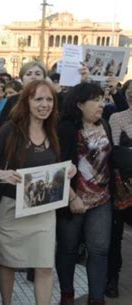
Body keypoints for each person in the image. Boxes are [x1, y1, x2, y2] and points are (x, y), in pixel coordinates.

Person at [0, 80, 76, 305]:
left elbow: (58, 166)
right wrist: (2, 174)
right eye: (38, 99)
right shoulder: (10, 130)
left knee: (44, 265)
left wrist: (68, 170)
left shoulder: (54, 131)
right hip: (11, 210)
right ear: (27, 101)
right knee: (7, 264)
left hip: (43, 211)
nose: (45, 104)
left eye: (49, 99)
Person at [56, 83, 113, 305]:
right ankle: (67, 297)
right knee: (68, 249)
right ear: (80, 104)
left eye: (103, 99)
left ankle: (96, 300)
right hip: (73, 199)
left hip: (102, 200)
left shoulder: (105, 125)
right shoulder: (66, 128)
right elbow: (58, 165)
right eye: (96, 100)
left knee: (99, 250)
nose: (102, 104)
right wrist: (71, 197)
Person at [104, 90, 132, 298]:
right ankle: (112, 278)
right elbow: (115, 152)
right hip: (121, 188)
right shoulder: (117, 117)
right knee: (115, 237)